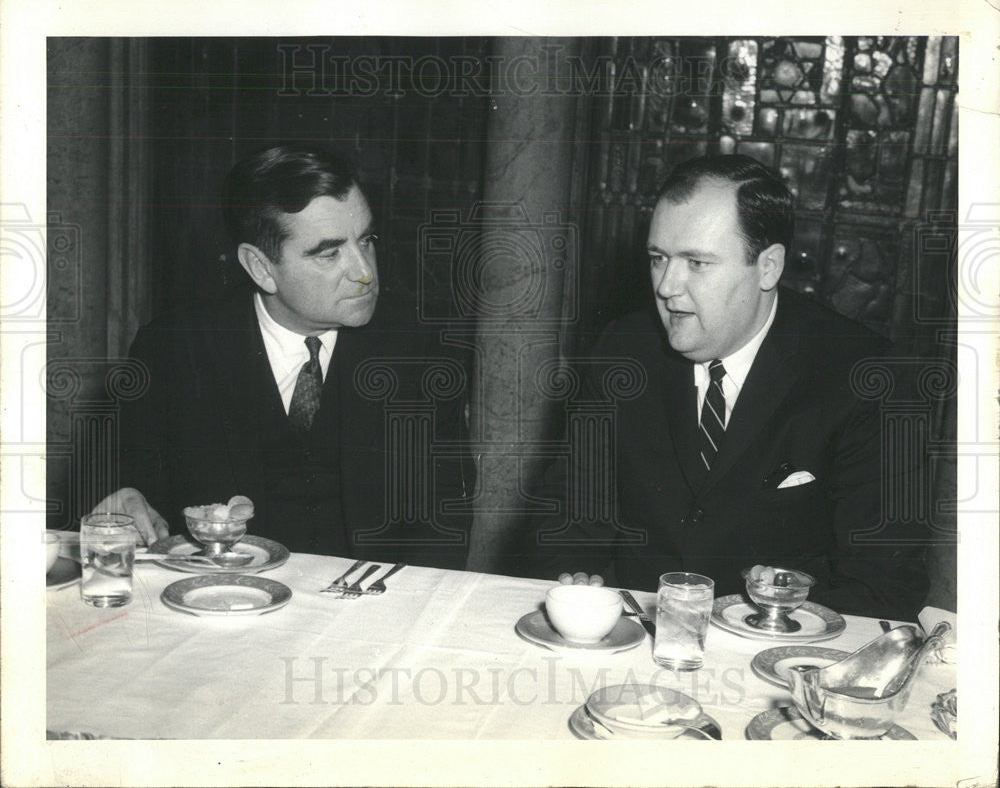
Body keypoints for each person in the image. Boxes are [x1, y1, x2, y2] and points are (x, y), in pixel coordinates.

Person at [525, 153, 929, 621]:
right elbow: (568, 523)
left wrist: (743, 620)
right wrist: (576, 588)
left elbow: (885, 587)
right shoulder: (623, 350)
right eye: (659, 259)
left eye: (696, 262)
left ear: (768, 267)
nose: (667, 287)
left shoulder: (869, 376)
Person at [90, 143, 470, 568]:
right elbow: (122, 492)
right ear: (260, 267)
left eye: (366, 240)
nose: (364, 272)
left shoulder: (419, 351)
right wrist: (122, 499)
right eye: (329, 253)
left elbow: (442, 528)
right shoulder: (174, 350)